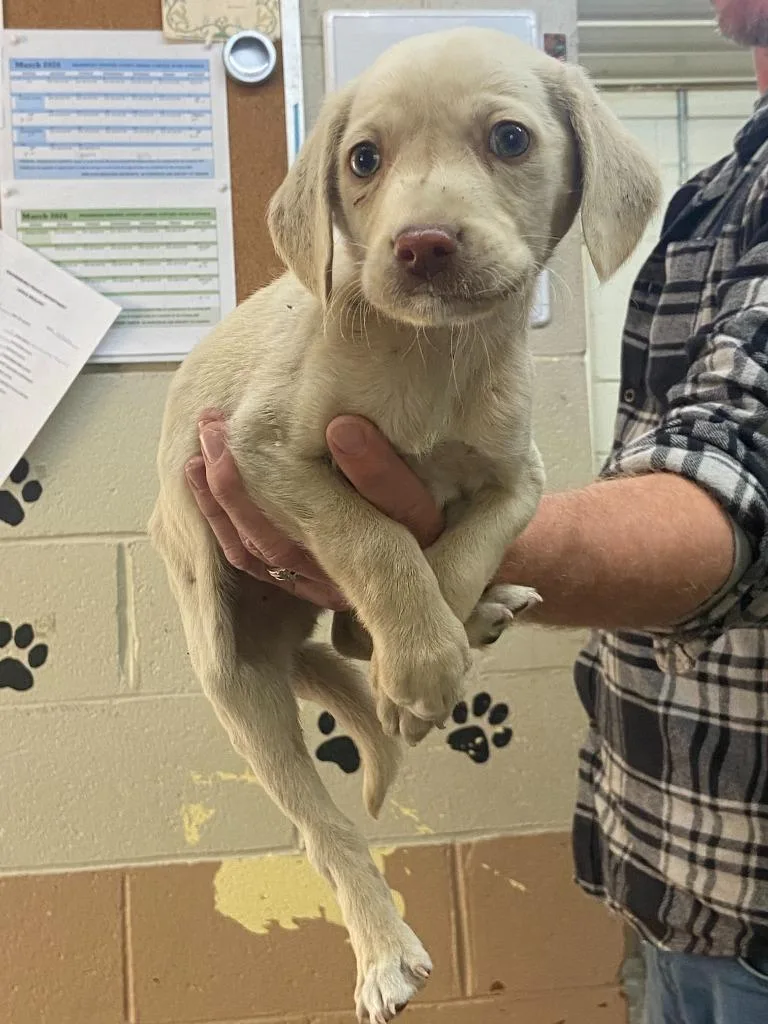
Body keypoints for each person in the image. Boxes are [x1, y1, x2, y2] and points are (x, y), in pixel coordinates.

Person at [183, 2, 768, 1020]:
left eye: (506, 141)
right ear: (328, 209)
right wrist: (399, 587)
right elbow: (264, 450)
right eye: (367, 162)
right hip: (664, 860)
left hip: (743, 894)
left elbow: (730, 489)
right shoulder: (719, 190)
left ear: (587, 175)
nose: (421, 223)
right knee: (246, 669)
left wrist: (435, 587)